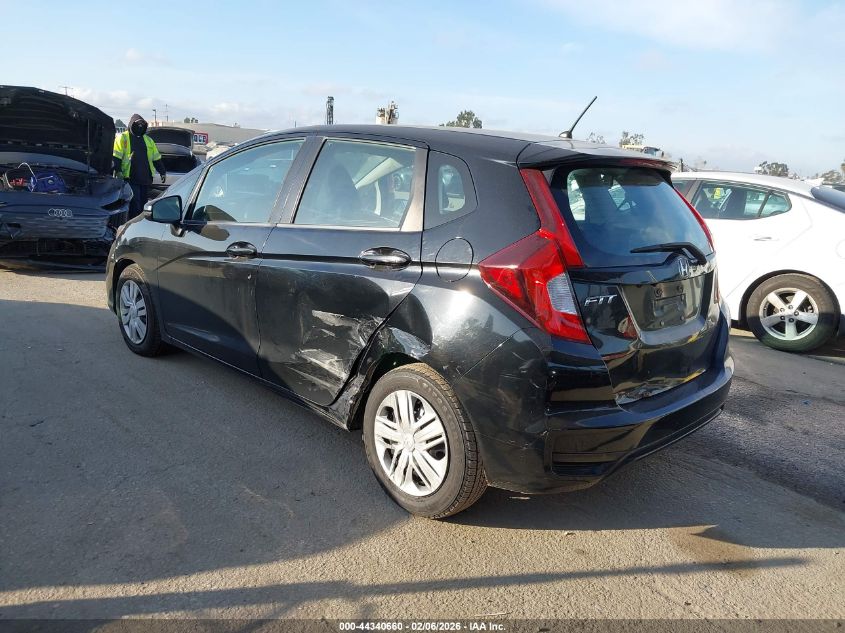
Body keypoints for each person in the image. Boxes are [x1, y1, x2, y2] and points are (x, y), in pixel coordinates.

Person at [113, 113, 166, 218]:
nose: (140, 127)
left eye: (142, 125)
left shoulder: (148, 140)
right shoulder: (123, 138)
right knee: (135, 204)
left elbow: (156, 158)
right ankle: (132, 224)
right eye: (138, 124)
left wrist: (162, 171)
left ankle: (141, 223)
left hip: (145, 179)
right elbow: (116, 157)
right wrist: (117, 170)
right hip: (130, 178)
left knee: (143, 204)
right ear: (131, 124)